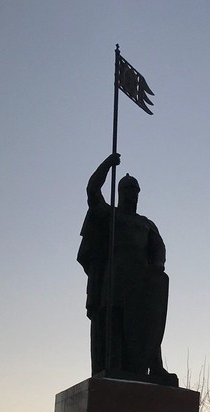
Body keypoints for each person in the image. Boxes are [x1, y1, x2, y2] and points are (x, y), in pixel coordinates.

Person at [77, 153, 176, 386]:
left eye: (135, 189)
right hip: (116, 276)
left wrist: (157, 265)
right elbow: (92, 189)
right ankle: (113, 365)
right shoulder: (110, 215)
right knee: (113, 318)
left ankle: (156, 367)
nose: (133, 193)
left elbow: (158, 247)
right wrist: (108, 164)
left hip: (141, 280)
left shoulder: (146, 223)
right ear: (121, 192)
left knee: (148, 322)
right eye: (128, 189)